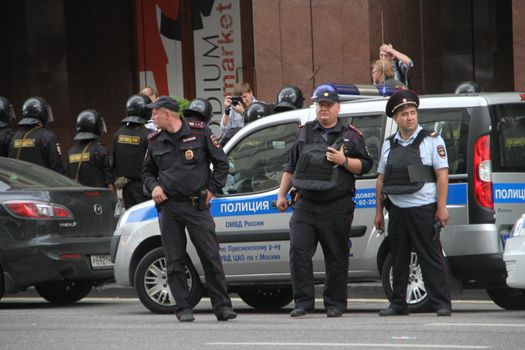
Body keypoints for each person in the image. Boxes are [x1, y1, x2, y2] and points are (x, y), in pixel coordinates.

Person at [276, 84, 373, 318]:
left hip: (336, 206)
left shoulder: (351, 135)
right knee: (298, 252)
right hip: (305, 204)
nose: (324, 109)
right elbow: (291, 167)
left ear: (338, 108)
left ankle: (335, 304)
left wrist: (343, 160)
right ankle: (303, 302)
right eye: (320, 105)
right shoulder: (304, 132)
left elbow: (366, 166)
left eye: (329, 105)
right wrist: (281, 194)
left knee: (336, 256)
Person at [142, 95, 236, 322]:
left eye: (155, 112)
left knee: (210, 256)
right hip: (169, 207)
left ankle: (222, 306)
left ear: (167, 114)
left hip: (197, 205)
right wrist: (154, 187)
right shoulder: (154, 140)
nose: (152, 117)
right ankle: (183, 307)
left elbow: (222, 163)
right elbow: (146, 173)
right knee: (174, 260)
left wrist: (212, 190)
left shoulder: (200, 132)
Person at [374, 89, 451, 317]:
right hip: (397, 210)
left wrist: (441, 207)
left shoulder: (432, 140)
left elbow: (442, 175)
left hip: (423, 208)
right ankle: (398, 303)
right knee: (398, 259)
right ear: (395, 118)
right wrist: (378, 211)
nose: (410, 117)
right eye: (405, 114)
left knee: (431, 258)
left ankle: (442, 303)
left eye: (413, 112)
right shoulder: (389, 144)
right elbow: (380, 179)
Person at [113, 94, 152, 209]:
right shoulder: (149, 135)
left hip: (125, 188)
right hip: (145, 187)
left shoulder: (118, 134)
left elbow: (115, 162)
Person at [9, 96, 65, 174]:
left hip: (20, 184)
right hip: (42, 184)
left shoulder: (15, 137)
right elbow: (57, 166)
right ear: (43, 113)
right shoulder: (48, 136)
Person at [67, 109, 115, 189]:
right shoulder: (101, 150)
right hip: (97, 198)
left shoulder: (71, 152)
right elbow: (109, 181)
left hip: (77, 198)